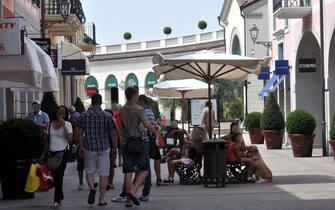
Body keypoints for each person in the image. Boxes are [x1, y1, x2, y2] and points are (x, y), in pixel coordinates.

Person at [120, 87, 157, 208]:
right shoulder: (138, 109)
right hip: (137, 141)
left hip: (126, 142)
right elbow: (146, 124)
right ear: (135, 95)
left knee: (128, 171)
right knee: (145, 168)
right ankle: (133, 191)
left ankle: (128, 201)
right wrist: (154, 131)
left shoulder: (122, 109)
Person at [78, 93, 116, 206]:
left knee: (89, 171)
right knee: (104, 173)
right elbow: (113, 133)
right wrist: (114, 147)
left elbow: (80, 133)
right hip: (104, 147)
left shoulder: (84, 115)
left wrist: (81, 146)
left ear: (92, 101)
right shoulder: (107, 115)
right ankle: (102, 199)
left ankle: (92, 189)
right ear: (100, 102)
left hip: (89, 147)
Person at [40, 106, 73, 208]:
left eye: (63, 112)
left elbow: (70, 139)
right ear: (56, 113)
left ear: (65, 114)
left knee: (59, 177)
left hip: (62, 153)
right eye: (59, 112)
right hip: (51, 154)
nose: (61, 113)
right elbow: (47, 142)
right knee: (54, 178)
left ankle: (56, 200)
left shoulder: (67, 124)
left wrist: (63, 125)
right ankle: (60, 196)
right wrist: (43, 154)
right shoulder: (50, 125)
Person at [137, 95, 167, 202]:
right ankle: (143, 185)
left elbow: (147, 126)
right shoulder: (150, 112)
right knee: (147, 163)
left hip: (144, 140)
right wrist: (155, 133)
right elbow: (154, 126)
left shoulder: (142, 111)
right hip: (149, 140)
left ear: (141, 101)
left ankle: (144, 187)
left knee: (145, 165)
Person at [104, 109, 120, 190]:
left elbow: (115, 135)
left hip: (109, 145)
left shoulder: (113, 123)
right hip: (108, 145)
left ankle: (109, 182)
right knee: (109, 166)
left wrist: (115, 147)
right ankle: (108, 182)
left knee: (110, 166)